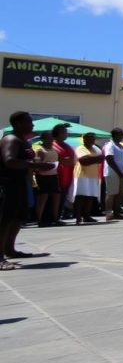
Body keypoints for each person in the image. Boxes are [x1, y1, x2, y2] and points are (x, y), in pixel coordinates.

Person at [2, 112, 56, 267]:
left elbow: (24, 160)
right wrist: (37, 165)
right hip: (8, 184)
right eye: (29, 122)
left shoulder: (23, 141)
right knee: (5, 219)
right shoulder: (10, 139)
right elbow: (9, 160)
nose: (32, 125)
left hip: (22, 183)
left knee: (18, 217)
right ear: (18, 124)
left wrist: (35, 163)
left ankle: (9, 249)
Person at [72, 132, 104, 225]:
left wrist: (91, 158)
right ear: (84, 139)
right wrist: (95, 158)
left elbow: (101, 158)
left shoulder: (96, 148)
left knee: (90, 196)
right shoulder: (80, 148)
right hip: (82, 174)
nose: (92, 140)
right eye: (89, 138)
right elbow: (83, 161)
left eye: (93, 138)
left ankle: (86, 216)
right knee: (80, 196)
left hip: (93, 175)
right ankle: (78, 216)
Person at [34, 131, 64, 226]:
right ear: (43, 139)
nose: (50, 140)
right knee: (43, 197)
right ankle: (39, 219)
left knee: (56, 196)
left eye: (51, 138)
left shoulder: (54, 149)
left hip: (53, 175)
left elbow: (59, 160)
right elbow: (36, 165)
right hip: (43, 176)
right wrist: (45, 166)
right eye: (48, 138)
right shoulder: (40, 150)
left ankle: (55, 218)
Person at [102, 128, 123, 221]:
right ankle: (109, 213)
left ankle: (117, 212)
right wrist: (119, 172)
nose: (122, 136)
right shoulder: (110, 145)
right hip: (112, 173)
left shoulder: (121, 146)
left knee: (120, 194)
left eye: (122, 134)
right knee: (111, 193)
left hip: (122, 174)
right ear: (114, 135)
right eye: (119, 134)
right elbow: (109, 159)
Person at [52, 123, 76, 219]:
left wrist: (66, 160)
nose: (66, 134)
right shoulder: (54, 145)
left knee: (63, 196)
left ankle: (59, 215)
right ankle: (54, 217)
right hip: (58, 175)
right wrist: (66, 160)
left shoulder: (67, 146)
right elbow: (61, 159)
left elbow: (71, 160)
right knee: (56, 197)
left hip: (67, 176)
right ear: (57, 133)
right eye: (64, 132)